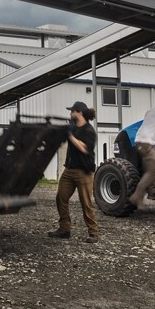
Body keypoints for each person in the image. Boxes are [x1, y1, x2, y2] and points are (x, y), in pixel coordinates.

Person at [50, 101, 100, 243]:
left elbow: (83, 148)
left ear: (79, 112)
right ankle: (64, 229)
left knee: (86, 202)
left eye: (72, 111)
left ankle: (93, 232)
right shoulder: (73, 127)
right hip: (69, 170)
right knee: (61, 197)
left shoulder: (89, 131)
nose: (70, 114)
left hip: (83, 172)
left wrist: (70, 135)